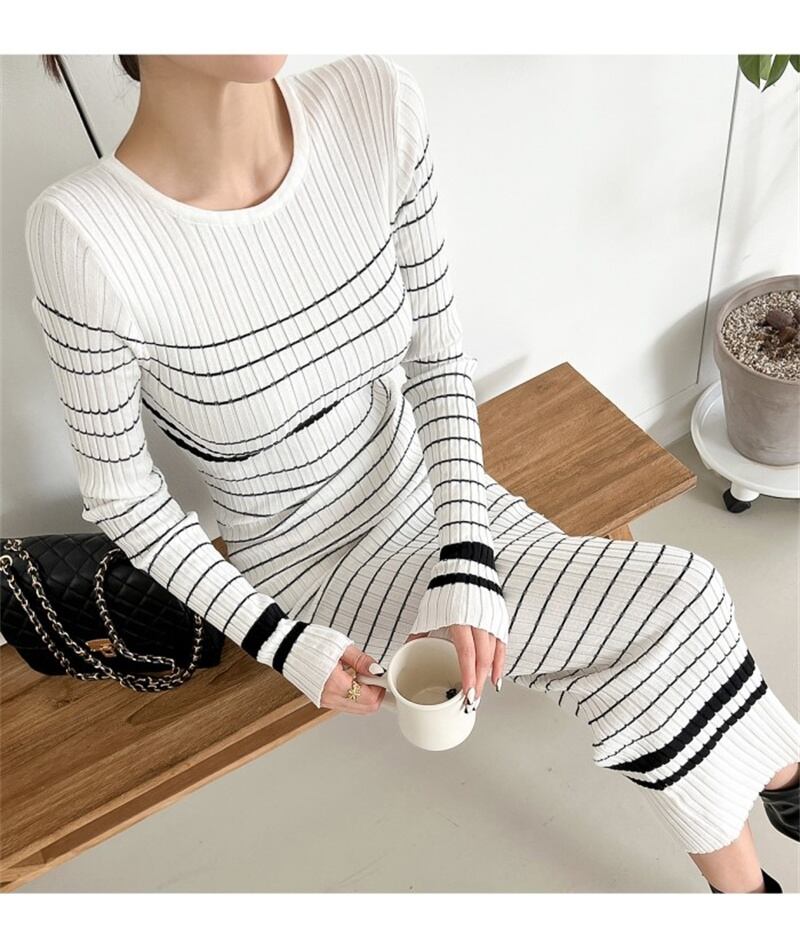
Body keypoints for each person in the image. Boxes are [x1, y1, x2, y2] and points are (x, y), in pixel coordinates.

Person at [26, 53, 799, 892]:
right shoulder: (83, 236)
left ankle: (760, 858)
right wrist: (281, 642)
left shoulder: (373, 102)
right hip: (309, 566)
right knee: (679, 598)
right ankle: (776, 810)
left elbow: (437, 355)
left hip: (437, 495)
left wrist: (467, 556)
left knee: (640, 646)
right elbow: (125, 498)